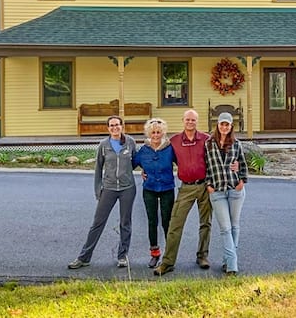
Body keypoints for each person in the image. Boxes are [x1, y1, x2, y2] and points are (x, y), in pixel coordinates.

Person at [68, 115, 137, 269]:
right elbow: (98, 168)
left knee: (125, 223)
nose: (115, 128)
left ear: (122, 126)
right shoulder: (103, 145)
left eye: (117, 125)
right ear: (108, 128)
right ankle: (84, 257)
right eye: (111, 125)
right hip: (108, 188)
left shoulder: (130, 142)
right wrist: (98, 189)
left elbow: (135, 162)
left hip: (127, 188)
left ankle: (122, 256)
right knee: (97, 223)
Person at [153, 108, 212, 275]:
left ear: (197, 121)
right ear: (183, 121)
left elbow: (217, 159)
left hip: (204, 186)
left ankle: (202, 256)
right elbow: (162, 160)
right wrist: (147, 170)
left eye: (193, 120)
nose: (190, 122)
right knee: (175, 224)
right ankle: (168, 262)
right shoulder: (174, 141)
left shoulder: (206, 140)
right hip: (186, 188)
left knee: (206, 223)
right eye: (187, 119)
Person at [205, 112, 248, 276]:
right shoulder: (209, 144)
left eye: (227, 125)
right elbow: (206, 166)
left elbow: (243, 164)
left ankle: (229, 261)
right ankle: (232, 265)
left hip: (234, 188)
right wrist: (208, 184)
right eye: (222, 124)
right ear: (217, 125)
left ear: (231, 127)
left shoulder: (236, 144)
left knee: (234, 225)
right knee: (225, 228)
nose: (224, 127)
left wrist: (241, 181)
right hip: (217, 190)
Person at [132, 118, 176, 268]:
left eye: (158, 132)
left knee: (167, 221)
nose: (156, 135)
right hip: (150, 188)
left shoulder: (170, 148)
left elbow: (182, 163)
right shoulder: (144, 150)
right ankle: (154, 253)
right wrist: (142, 171)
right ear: (149, 133)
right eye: (153, 133)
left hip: (167, 188)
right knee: (152, 221)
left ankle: (169, 256)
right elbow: (132, 164)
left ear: (163, 133)